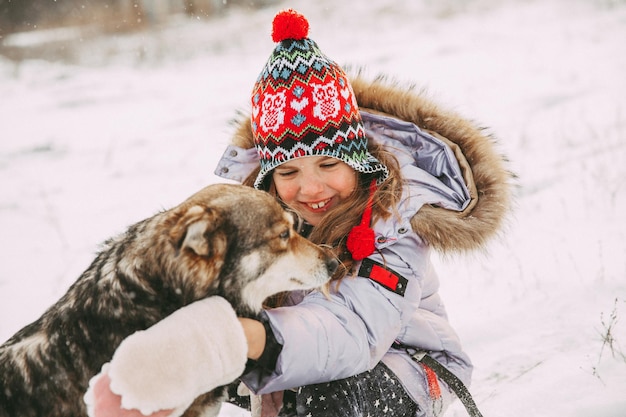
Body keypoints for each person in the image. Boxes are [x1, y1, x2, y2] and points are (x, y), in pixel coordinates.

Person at [86, 8, 511, 417]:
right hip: (299, 354)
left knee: (328, 389)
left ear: (358, 161)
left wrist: (244, 337)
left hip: (409, 364)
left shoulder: (394, 225)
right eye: (288, 171)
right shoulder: (265, 219)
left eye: (328, 165)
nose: (310, 188)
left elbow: (352, 333)